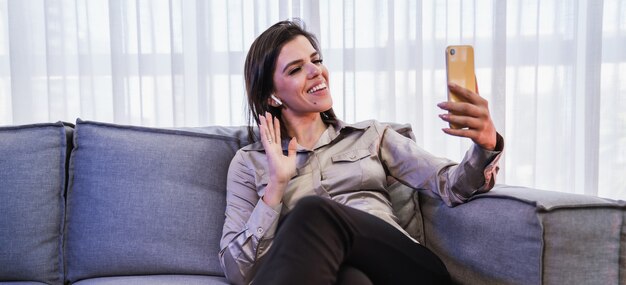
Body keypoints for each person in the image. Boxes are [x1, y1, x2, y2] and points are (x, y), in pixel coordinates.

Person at [219, 19, 503, 285]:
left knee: (313, 211)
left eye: (316, 60)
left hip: (406, 268)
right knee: (350, 279)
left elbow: (450, 184)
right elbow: (237, 271)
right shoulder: (249, 163)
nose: (316, 71)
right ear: (272, 96)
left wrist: (486, 145)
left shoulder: (372, 137)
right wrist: (276, 187)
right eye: (295, 69)